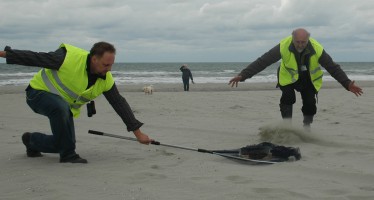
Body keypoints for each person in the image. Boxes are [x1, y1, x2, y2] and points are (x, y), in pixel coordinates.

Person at [0, 42, 153, 163]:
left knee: (64, 143)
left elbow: (119, 104)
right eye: (106, 65)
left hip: (63, 109)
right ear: (94, 59)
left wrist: (138, 134)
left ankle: (31, 141)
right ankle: (68, 156)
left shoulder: (106, 80)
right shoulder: (68, 58)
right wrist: (5, 54)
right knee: (61, 110)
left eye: (111, 65)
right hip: (36, 94)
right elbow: (35, 58)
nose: (109, 69)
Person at [229, 28, 363, 129]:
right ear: (292, 39)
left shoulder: (317, 49)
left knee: (310, 103)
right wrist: (243, 75)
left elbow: (333, 67)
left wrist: (347, 83)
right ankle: (288, 127)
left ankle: (306, 126)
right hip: (288, 78)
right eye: (297, 42)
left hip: (309, 79)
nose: (300, 45)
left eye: (303, 42)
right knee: (288, 97)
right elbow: (263, 61)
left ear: (308, 40)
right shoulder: (283, 46)